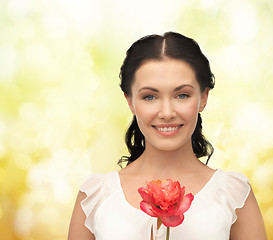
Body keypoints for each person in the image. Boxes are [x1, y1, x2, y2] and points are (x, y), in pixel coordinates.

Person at [68, 32, 267, 240]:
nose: (166, 113)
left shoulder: (234, 195)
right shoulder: (95, 197)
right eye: (150, 97)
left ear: (203, 98)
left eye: (182, 95)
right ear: (130, 101)